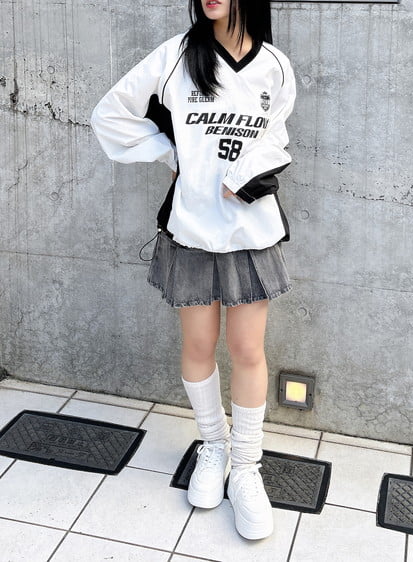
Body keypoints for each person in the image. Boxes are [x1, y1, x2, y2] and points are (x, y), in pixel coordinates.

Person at [90, 0, 296, 541]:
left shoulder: (274, 64)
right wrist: (171, 153)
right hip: (192, 229)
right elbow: (110, 114)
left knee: (247, 350)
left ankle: (245, 468)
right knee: (199, 345)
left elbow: (276, 138)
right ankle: (213, 446)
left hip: (250, 231)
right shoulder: (177, 56)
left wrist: (243, 175)